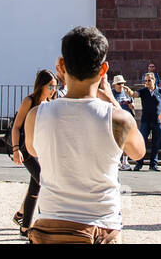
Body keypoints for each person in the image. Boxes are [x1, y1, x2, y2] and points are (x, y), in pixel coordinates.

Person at [25, 26, 145, 244]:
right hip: (100, 227)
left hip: (50, 227)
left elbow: (32, 149)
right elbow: (138, 152)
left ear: (61, 65)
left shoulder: (36, 116)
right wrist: (111, 99)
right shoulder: (118, 120)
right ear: (103, 70)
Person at [10, 69, 59, 236]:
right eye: (50, 86)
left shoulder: (51, 103)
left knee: (35, 183)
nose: (54, 90)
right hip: (25, 148)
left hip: (41, 148)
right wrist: (16, 149)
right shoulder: (29, 101)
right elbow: (16, 127)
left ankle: (23, 219)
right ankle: (28, 225)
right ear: (41, 86)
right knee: (42, 181)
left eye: (55, 86)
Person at [132, 73, 161, 172]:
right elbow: (135, 94)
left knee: (156, 143)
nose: (147, 82)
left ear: (154, 80)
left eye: (149, 80)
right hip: (145, 121)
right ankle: (139, 163)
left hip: (157, 121)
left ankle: (153, 164)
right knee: (142, 141)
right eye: (145, 81)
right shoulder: (143, 91)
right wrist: (129, 92)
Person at [111, 75, 136, 170]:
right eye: (119, 84)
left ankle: (125, 161)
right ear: (114, 85)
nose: (121, 85)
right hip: (115, 120)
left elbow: (133, 105)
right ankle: (117, 161)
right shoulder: (112, 94)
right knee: (116, 142)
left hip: (126, 119)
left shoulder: (126, 93)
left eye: (122, 83)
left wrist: (131, 105)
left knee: (126, 141)